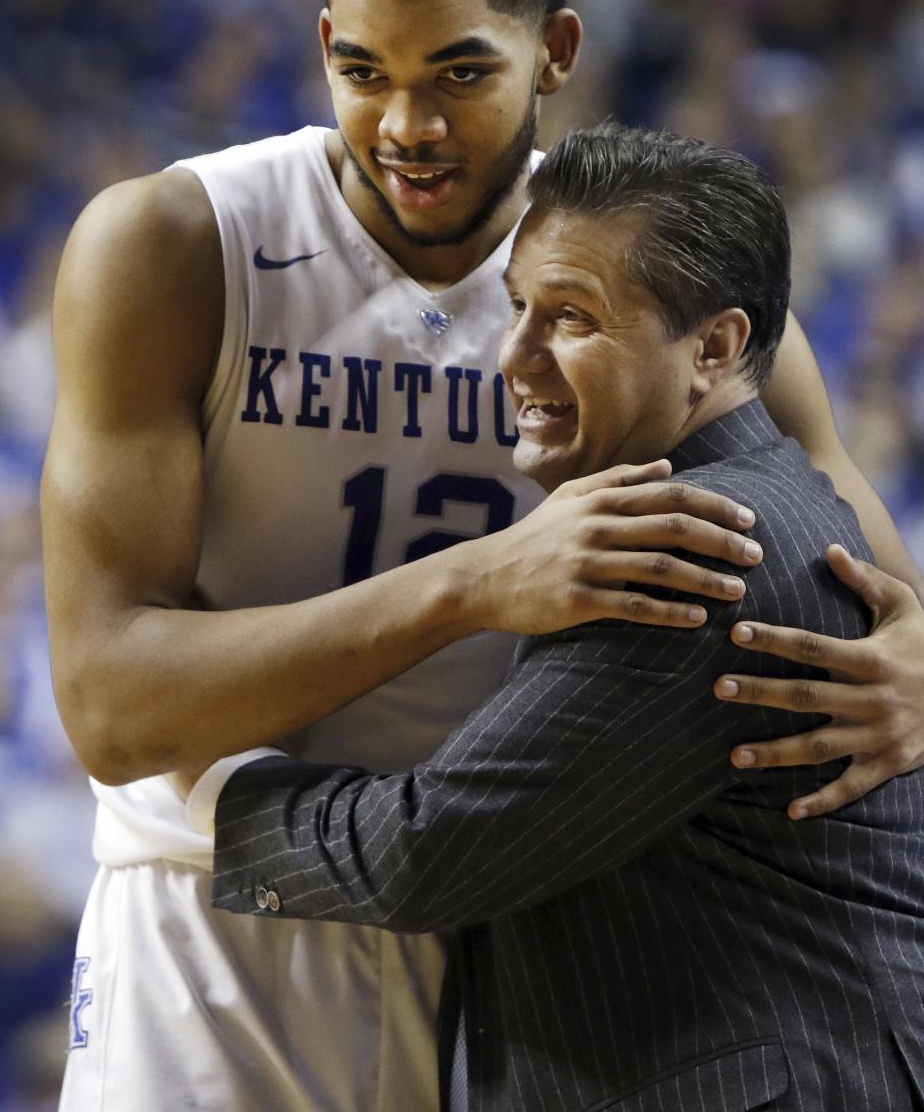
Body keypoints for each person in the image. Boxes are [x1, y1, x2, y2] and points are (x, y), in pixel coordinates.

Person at [42, 0, 924, 1112]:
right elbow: (110, 708)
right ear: (324, 44)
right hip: (222, 912)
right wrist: (476, 582)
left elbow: (860, 570)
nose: (408, 126)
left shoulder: (651, 282)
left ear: (555, 54)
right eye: (363, 73)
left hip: (515, 936)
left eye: (459, 73)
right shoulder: (180, 242)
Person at [204, 122, 924, 1111]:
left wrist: (201, 790)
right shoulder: (759, 499)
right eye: (516, 307)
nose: (514, 355)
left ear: (713, 347)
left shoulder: (696, 546)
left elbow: (424, 852)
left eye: (571, 317)